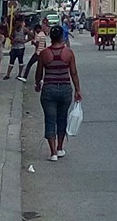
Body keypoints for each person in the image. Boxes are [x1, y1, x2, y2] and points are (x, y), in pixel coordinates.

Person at [34, 26, 82, 161]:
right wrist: (78, 90)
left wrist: (37, 84)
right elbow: (73, 73)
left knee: (50, 119)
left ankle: (53, 152)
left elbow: (39, 73)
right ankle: (60, 148)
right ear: (62, 37)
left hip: (49, 89)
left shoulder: (44, 53)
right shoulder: (69, 53)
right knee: (62, 118)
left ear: (51, 37)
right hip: (65, 89)